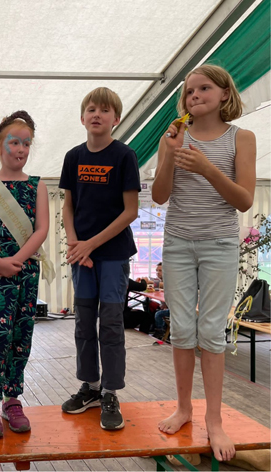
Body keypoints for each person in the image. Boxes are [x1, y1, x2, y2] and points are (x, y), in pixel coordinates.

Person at [152, 64, 256, 462]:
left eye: (204, 88)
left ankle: (214, 418)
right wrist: (169, 153)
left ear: (225, 93)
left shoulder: (241, 138)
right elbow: (159, 196)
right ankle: (184, 408)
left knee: (211, 331)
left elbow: (244, 200)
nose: (194, 95)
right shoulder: (174, 136)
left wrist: (208, 169)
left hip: (220, 245)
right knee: (182, 328)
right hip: (178, 243)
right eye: (189, 91)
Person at [59, 87, 141, 430]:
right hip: (83, 257)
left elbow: (131, 211)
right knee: (83, 323)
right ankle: (90, 387)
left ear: (116, 119)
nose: (97, 114)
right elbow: (68, 206)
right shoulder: (73, 157)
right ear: (82, 117)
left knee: (110, 324)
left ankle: (110, 392)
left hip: (112, 256)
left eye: (105, 110)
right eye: (91, 109)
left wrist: (90, 245)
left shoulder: (124, 156)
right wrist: (76, 244)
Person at [0, 111, 50, 437]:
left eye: (26, 143)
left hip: (26, 269)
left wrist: (15, 260)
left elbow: (42, 229)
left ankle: (13, 399)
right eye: (14, 142)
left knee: (22, 334)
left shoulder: (38, 185)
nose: (21, 149)